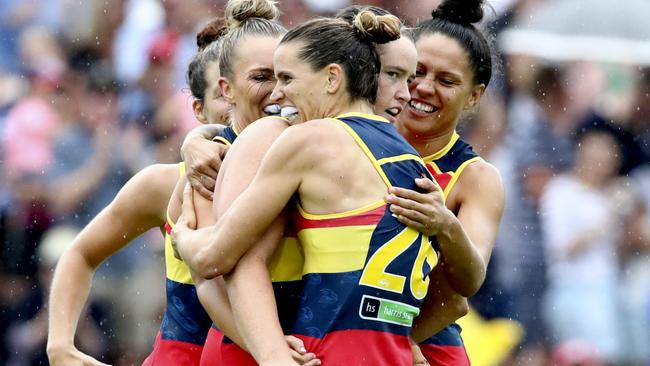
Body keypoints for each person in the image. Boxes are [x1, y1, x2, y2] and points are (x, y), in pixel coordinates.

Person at [173, 11, 483, 365]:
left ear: (335, 77)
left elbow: (216, 260)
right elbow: (226, 276)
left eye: (287, 78)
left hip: (305, 352)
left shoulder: (307, 139)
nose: (407, 94)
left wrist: (182, 237)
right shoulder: (409, 160)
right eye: (392, 75)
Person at [46, 18, 229, 366]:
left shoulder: (300, 173)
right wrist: (59, 348)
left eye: (266, 78)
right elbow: (78, 249)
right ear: (198, 110)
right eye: (222, 92)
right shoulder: (162, 181)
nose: (236, 99)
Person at [384, 1, 505, 365]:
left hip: (426, 346)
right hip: (334, 332)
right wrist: (205, 141)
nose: (423, 87)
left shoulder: (476, 177)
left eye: (446, 81)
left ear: (474, 95)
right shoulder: (353, 135)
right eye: (416, 71)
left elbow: (464, 288)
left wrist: (444, 225)